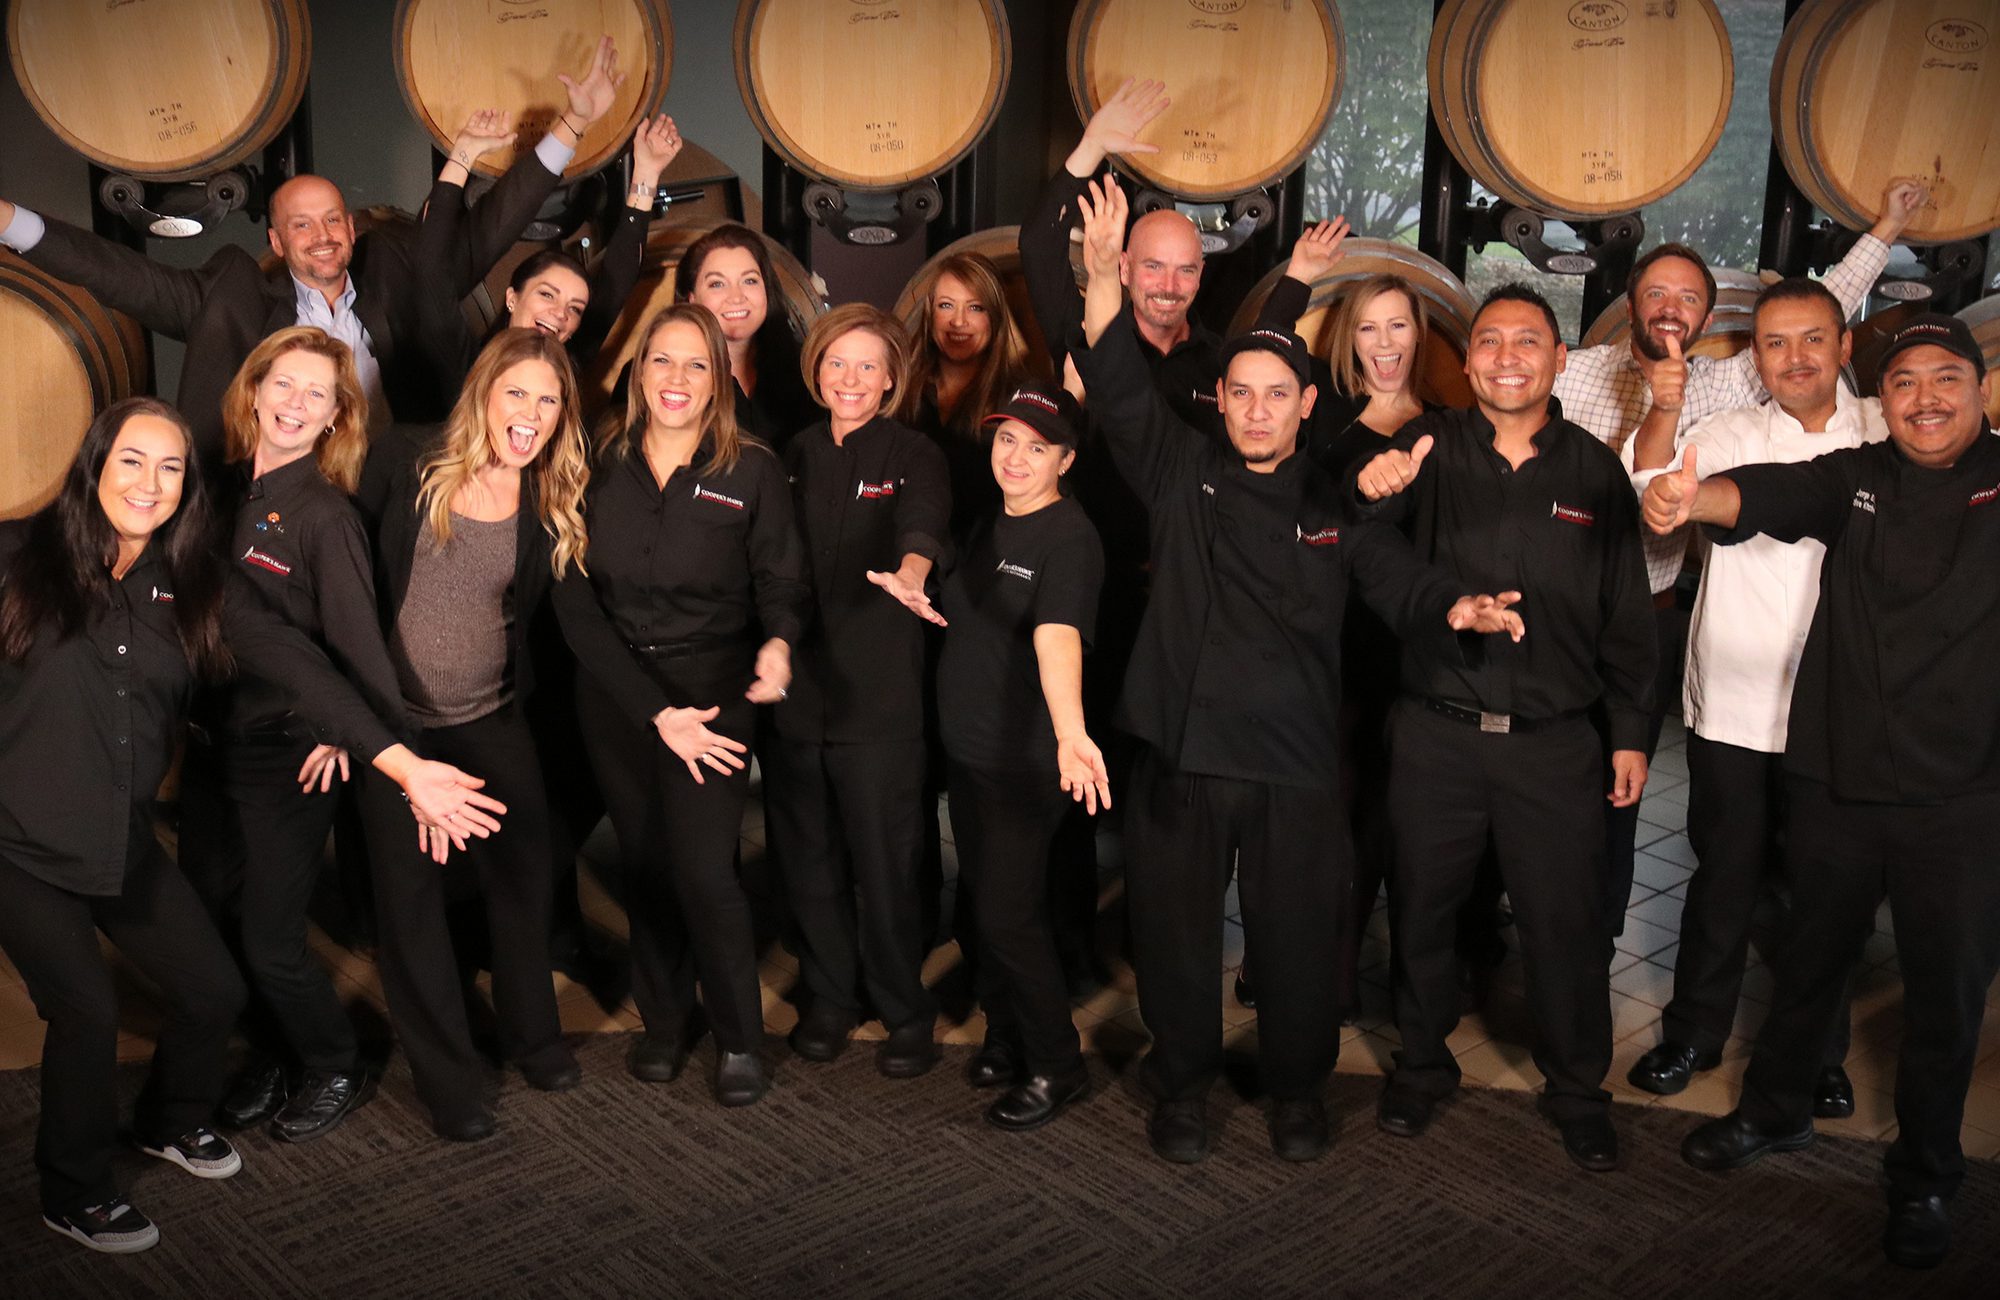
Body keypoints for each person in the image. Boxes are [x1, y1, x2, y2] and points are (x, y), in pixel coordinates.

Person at [1073, 176, 1526, 1164]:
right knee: (1175, 939)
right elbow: (1111, 379)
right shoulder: (1176, 472)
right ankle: (1182, 1085)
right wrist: (1098, 278)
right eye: (1238, 393)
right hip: (1182, 754)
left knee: (1292, 941)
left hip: (1292, 762)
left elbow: (1391, 574)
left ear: (1304, 404)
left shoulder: (1332, 498)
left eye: (1275, 395)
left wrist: (1452, 604)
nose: (1255, 409)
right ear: (1220, 402)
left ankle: (1293, 1091)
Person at [0, 398, 502, 1253]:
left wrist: (405, 765)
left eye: (170, 469)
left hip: (118, 841)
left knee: (214, 989)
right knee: (83, 1009)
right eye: (131, 461)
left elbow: (304, 668)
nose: (149, 484)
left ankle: (168, 1120)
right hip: (17, 842)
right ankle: (74, 1188)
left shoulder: (197, 586)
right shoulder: (16, 556)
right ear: (94, 466)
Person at [1652, 314, 2000, 1271]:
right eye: (1904, 385)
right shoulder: (1857, 475)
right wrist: (1694, 497)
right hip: (1839, 779)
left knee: (1944, 997)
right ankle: (1775, 1111)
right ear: (1880, 399)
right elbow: (1762, 495)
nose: (1924, 399)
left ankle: (1927, 1174)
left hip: (1964, 799)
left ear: (1978, 390)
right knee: (1809, 965)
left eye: (1945, 381)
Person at [1549, 181, 1930, 945]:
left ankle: (1590, 954)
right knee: (1545, 792)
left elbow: (1813, 316)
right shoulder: (1574, 371)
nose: (1671, 306)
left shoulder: (1729, 382)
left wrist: (1887, 226)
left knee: (1621, 798)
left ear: (1703, 317)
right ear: (1629, 303)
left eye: (1688, 298)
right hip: (1555, 616)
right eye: (1655, 291)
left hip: (1645, 622)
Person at [1353, 284, 1656, 1173]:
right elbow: (1365, 546)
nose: (1508, 355)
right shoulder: (1427, 445)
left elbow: (1628, 618)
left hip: (1556, 743)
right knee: (1421, 907)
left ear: (1560, 361)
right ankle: (1421, 1063)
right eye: (1490, 341)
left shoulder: (1596, 472)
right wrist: (1372, 492)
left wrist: (1632, 731)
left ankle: (1576, 1088)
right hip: (1435, 732)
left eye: (1529, 341)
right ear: (1469, 358)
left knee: (1567, 922)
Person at [0, 38, 628, 461]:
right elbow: (118, 274)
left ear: (351, 230)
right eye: (302, 226)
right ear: (275, 240)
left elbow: (493, 224)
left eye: (332, 219)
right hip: (278, 515)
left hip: (397, 500)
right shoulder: (237, 298)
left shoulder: (396, 279)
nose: (322, 234)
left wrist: (570, 125)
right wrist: (9, 222)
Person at [1622, 279, 1885, 1109]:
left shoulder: (1885, 428)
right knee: (1723, 878)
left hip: (1844, 709)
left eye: (1812, 340)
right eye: (1774, 343)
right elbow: (1654, 480)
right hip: (1735, 702)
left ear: (1845, 348)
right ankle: (1693, 1035)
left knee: (1826, 891)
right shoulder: (1729, 430)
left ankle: (1817, 1052)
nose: (1794, 358)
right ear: (1756, 357)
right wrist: (1665, 447)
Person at [552, 304, 808, 1106]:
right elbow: (573, 602)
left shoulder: (753, 470)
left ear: (720, 379)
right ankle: (664, 1022)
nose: (677, 379)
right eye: (661, 361)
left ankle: (739, 1037)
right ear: (638, 373)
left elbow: (783, 580)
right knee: (645, 861)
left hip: (713, 694)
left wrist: (780, 641)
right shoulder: (595, 460)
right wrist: (649, 711)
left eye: (696, 364)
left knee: (703, 870)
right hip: (621, 698)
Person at [352, 328, 592, 1141]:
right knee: (410, 911)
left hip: (490, 717)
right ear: (484, 393)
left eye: (547, 401)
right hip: (393, 731)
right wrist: (335, 719)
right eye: (516, 394)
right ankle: (449, 1081)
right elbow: (345, 593)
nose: (529, 415)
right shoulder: (406, 462)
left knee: (528, 874)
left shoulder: (550, 497)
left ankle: (533, 1036)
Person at [176, 328, 407, 1145]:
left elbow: (359, 647)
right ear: (255, 390)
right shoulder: (217, 487)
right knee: (209, 922)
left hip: (290, 756)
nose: (295, 403)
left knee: (272, 942)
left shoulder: (326, 518)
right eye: (284, 384)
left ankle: (334, 1061)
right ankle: (273, 1055)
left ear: (337, 418)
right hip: (209, 750)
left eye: (317, 394)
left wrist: (346, 734)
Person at [765, 303, 951, 1077]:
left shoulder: (916, 454)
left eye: (868, 366)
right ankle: (832, 996)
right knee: (809, 858)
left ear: (890, 380)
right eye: (838, 362)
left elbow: (922, 529)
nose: (851, 378)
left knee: (887, 864)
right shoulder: (790, 454)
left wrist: (911, 576)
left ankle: (903, 1003)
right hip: (798, 694)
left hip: (880, 699)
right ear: (817, 371)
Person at [935, 384, 1107, 1130]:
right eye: (1008, 440)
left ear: (1065, 461)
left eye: (1038, 448)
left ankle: (1056, 1063)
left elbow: (1057, 637)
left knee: (1009, 915)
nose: (1017, 457)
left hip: (1025, 763)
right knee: (983, 902)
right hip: (971, 755)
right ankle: (1005, 1035)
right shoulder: (992, 520)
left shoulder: (1068, 538)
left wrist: (1070, 731)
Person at [425, 108, 683, 380]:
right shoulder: (463, 365)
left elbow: (616, 283)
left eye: (575, 308)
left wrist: (646, 172)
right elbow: (430, 269)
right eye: (547, 294)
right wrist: (464, 153)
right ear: (512, 298)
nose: (561, 314)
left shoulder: (569, 365)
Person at [900, 250, 1039, 537]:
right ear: (929, 312)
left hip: (983, 565)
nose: (959, 321)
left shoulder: (1019, 400)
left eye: (975, 308)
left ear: (995, 317)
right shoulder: (902, 388)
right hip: (906, 558)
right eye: (946, 305)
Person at [674, 224, 819, 450]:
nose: (736, 297)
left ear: (766, 290)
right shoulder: (659, 375)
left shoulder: (805, 370)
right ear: (692, 299)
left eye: (749, 281)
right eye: (717, 284)